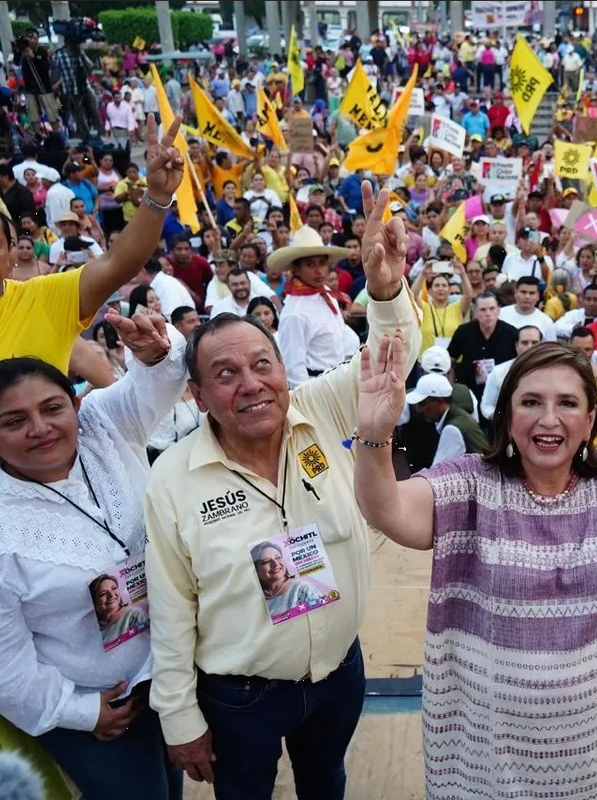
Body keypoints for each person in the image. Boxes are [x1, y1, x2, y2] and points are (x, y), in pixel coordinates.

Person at [350, 269, 597, 798]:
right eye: (531, 402)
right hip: (492, 765)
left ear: (591, 420)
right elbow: (385, 508)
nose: (549, 419)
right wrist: (374, 435)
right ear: (507, 416)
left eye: (567, 403)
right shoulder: (472, 486)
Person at [143, 183, 419, 800]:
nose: (251, 385)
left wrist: (384, 290)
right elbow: (169, 604)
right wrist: (180, 717)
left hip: (339, 674)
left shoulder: (318, 410)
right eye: (225, 373)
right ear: (198, 395)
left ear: (283, 368)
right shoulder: (174, 477)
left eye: (262, 365)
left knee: (327, 783)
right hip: (241, 696)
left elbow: (392, 359)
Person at [0, 312, 187, 800]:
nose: (40, 429)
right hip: (104, 706)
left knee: (169, 785)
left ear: (75, 404)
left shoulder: (100, 427)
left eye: (53, 408)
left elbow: (152, 388)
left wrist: (154, 352)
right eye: (14, 422)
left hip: (167, 667)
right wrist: (80, 711)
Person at [0, 116, 184, 517]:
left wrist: (155, 197)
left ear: (10, 250)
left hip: (56, 516)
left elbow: (120, 261)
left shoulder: (47, 298)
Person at [274, 226, 360, 387]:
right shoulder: (294, 312)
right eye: (310, 265)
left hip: (339, 378)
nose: (319, 271)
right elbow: (294, 369)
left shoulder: (327, 293)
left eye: (322, 263)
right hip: (317, 385)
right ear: (296, 269)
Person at [447, 291, 519, 400]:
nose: (488, 313)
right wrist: (452, 389)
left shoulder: (511, 333)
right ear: (475, 312)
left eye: (492, 309)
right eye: (483, 310)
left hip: (501, 392)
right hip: (469, 391)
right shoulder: (463, 332)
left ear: (498, 310)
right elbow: (450, 361)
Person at [405, 372, 488, 464]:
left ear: (440, 401)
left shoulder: (452, 430)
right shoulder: (459, 416)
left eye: (422, 403)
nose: (419, 409)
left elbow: (437, 473)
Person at [479, 325, 543, 420]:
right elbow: (487, 405)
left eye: (534, 343)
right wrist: (503, 418)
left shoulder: (552, 372)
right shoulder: (499, 372)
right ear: (516, 345)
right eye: (525, 343)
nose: (530, 347)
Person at [249, 541, 324, 619]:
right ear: (255, 570)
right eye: (266, 562)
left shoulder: (302, 589)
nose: (275, 564)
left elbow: (322, 617)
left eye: (278, 558)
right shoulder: (255, 600)